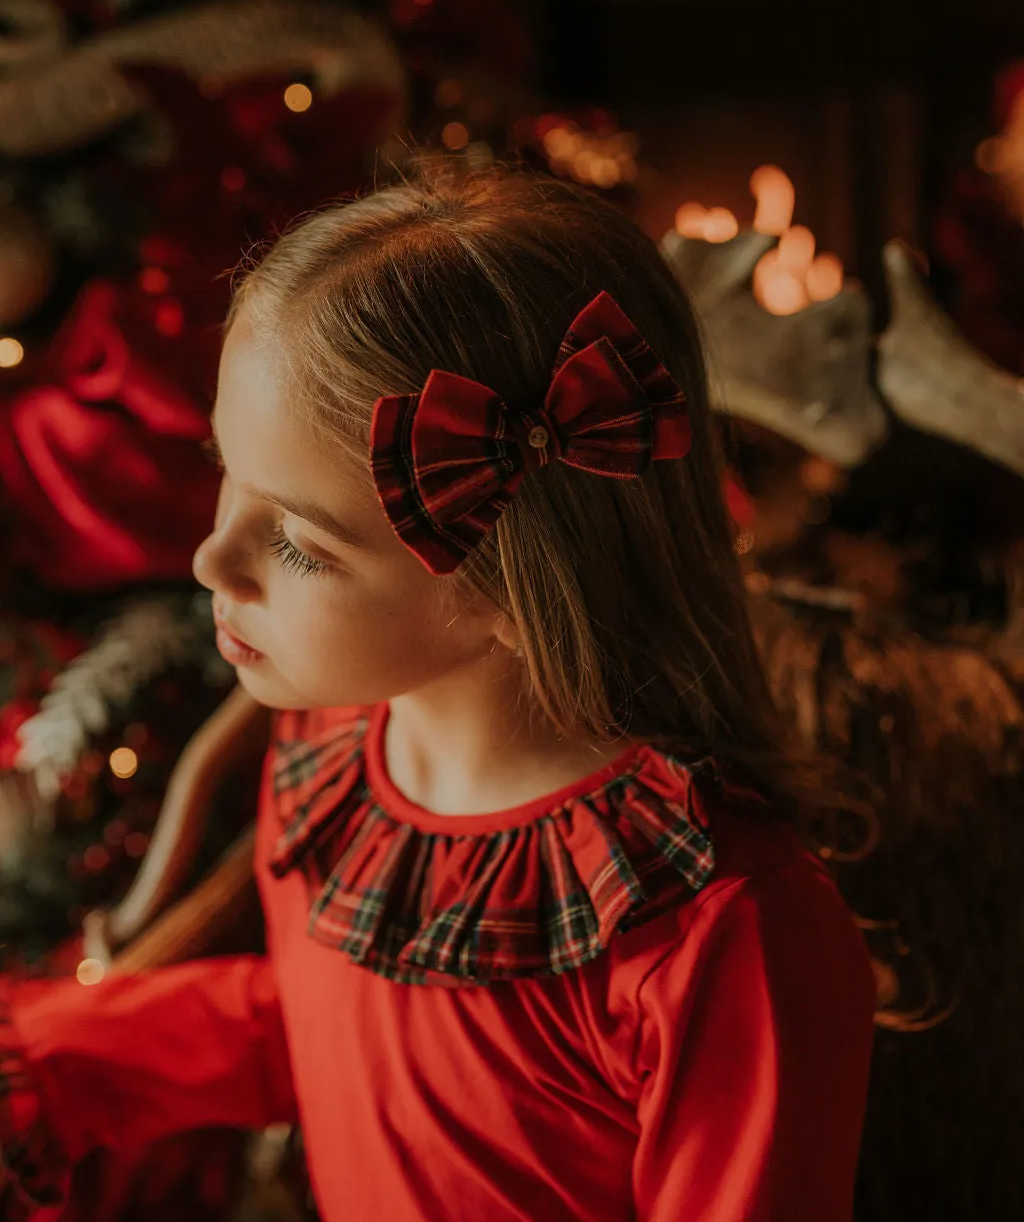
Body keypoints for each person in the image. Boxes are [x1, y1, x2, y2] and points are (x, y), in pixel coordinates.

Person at [1, 162, 875, 1221]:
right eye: (227, 469)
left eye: (299, 542)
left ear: (517, 585)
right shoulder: (330, 756)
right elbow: (329, 1030)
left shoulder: (719, 927)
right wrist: (54, 1062)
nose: (210, 560)